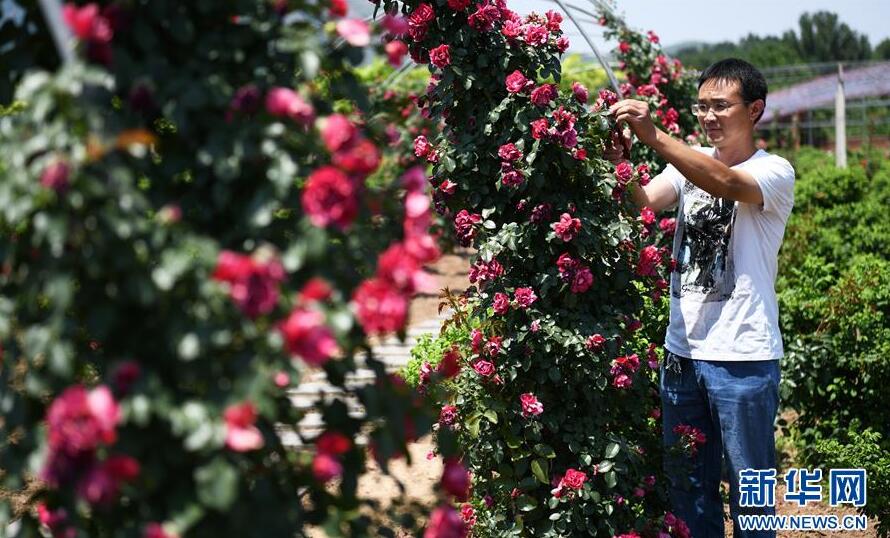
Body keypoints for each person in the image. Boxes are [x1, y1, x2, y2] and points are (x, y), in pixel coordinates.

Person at [605, 58, 796, 537]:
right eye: (703, 106)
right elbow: (643, 203)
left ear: (754, 110)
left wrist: (656, 139)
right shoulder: (687, 164)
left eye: (721, 106)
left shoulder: (773, 171)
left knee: (750, 494)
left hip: (743, 359)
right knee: (688, 491)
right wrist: (619, 164)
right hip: (683, 355)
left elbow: (725, 183)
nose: (709, 116)